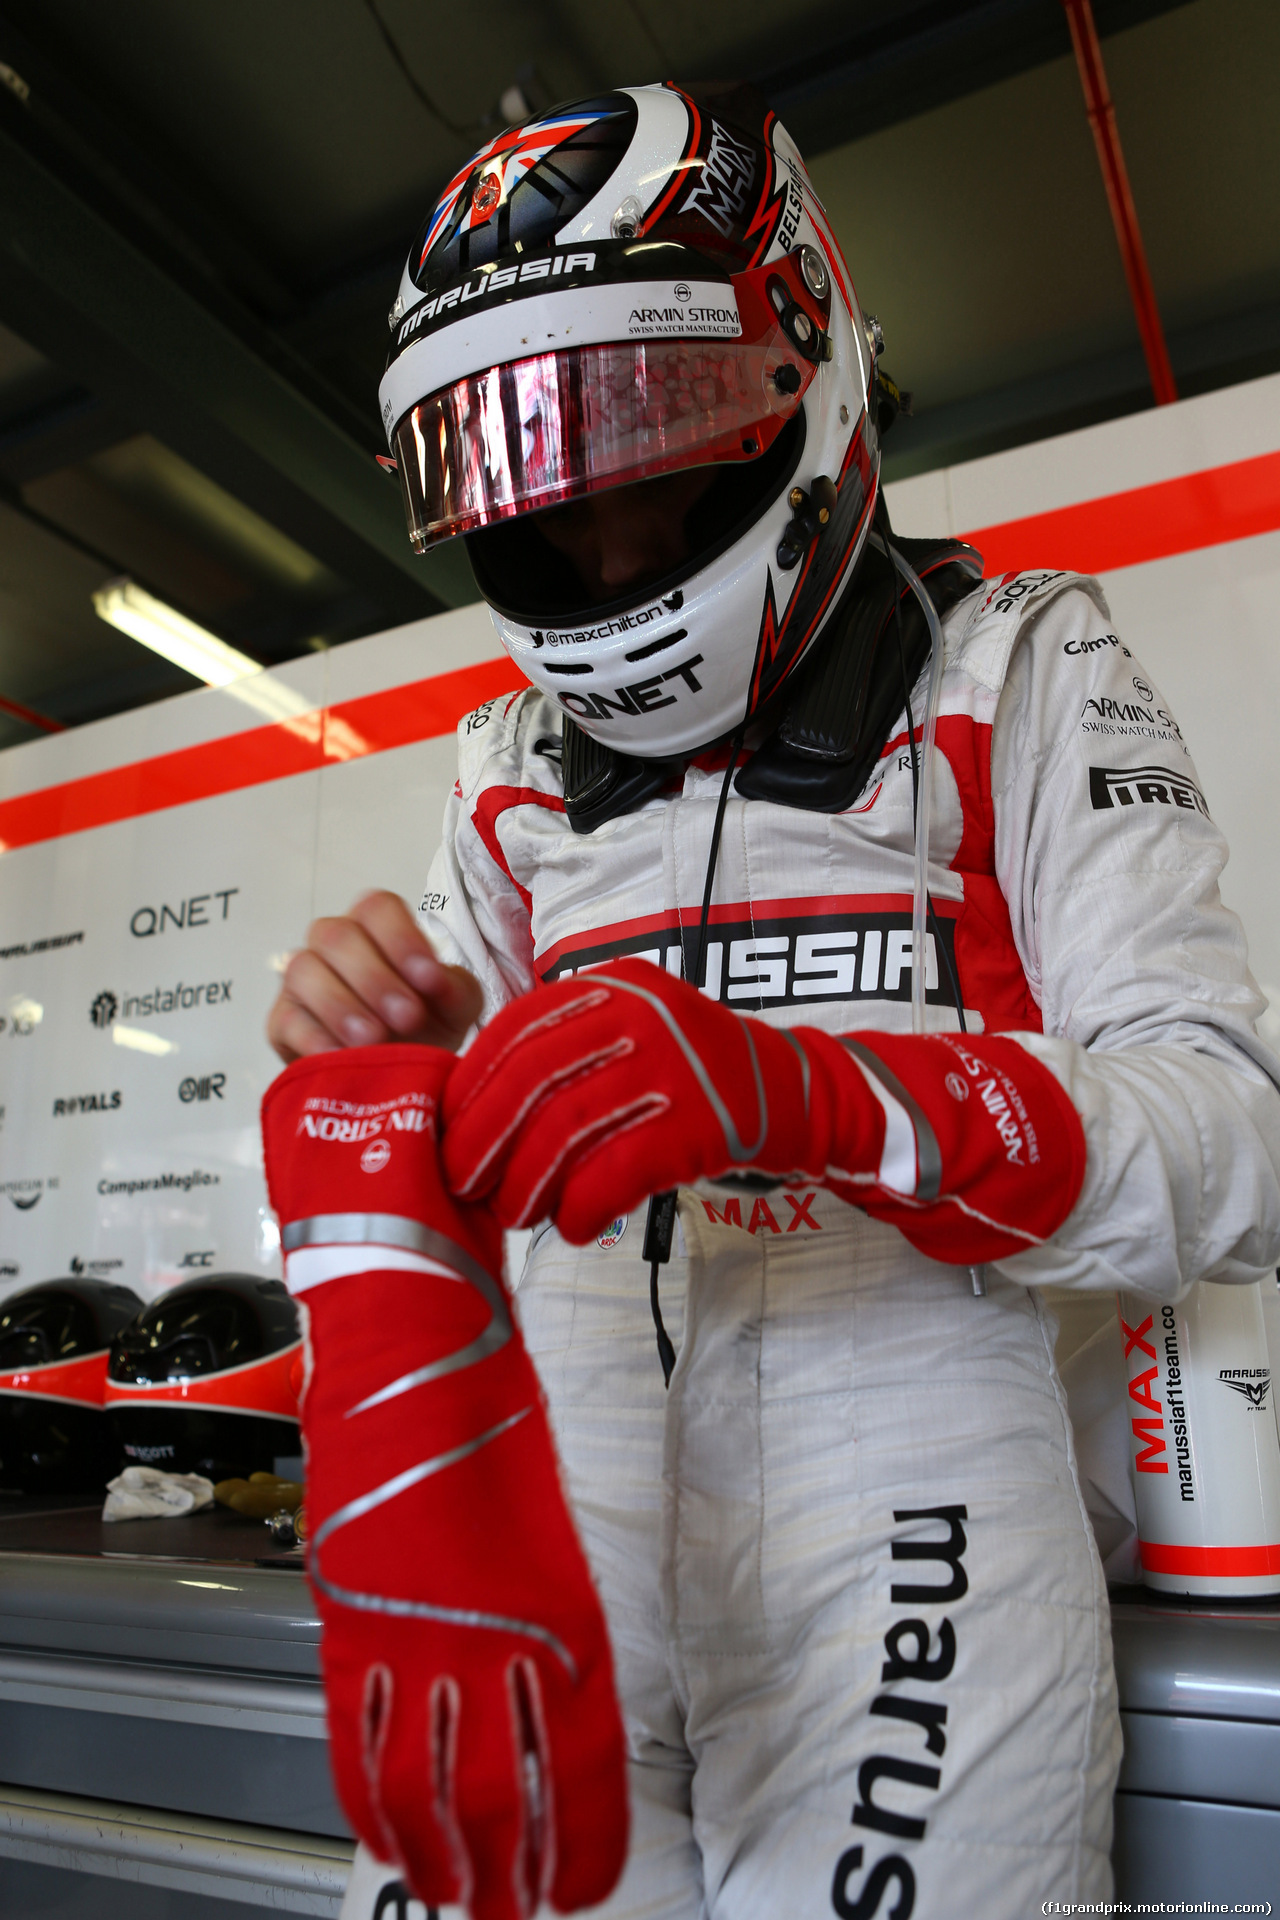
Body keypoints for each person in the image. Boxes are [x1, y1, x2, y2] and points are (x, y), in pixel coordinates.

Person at [266, 83, 1280, 1920]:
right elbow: (437, 1205)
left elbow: (1228, 1138)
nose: (598, 534)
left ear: (796, 357)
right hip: (551, 1521)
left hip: (919, 1503)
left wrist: (822, 1096)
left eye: (644, 416)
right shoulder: (501, 762)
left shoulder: (1017, 660)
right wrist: (397, 1096)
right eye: (528, 461)